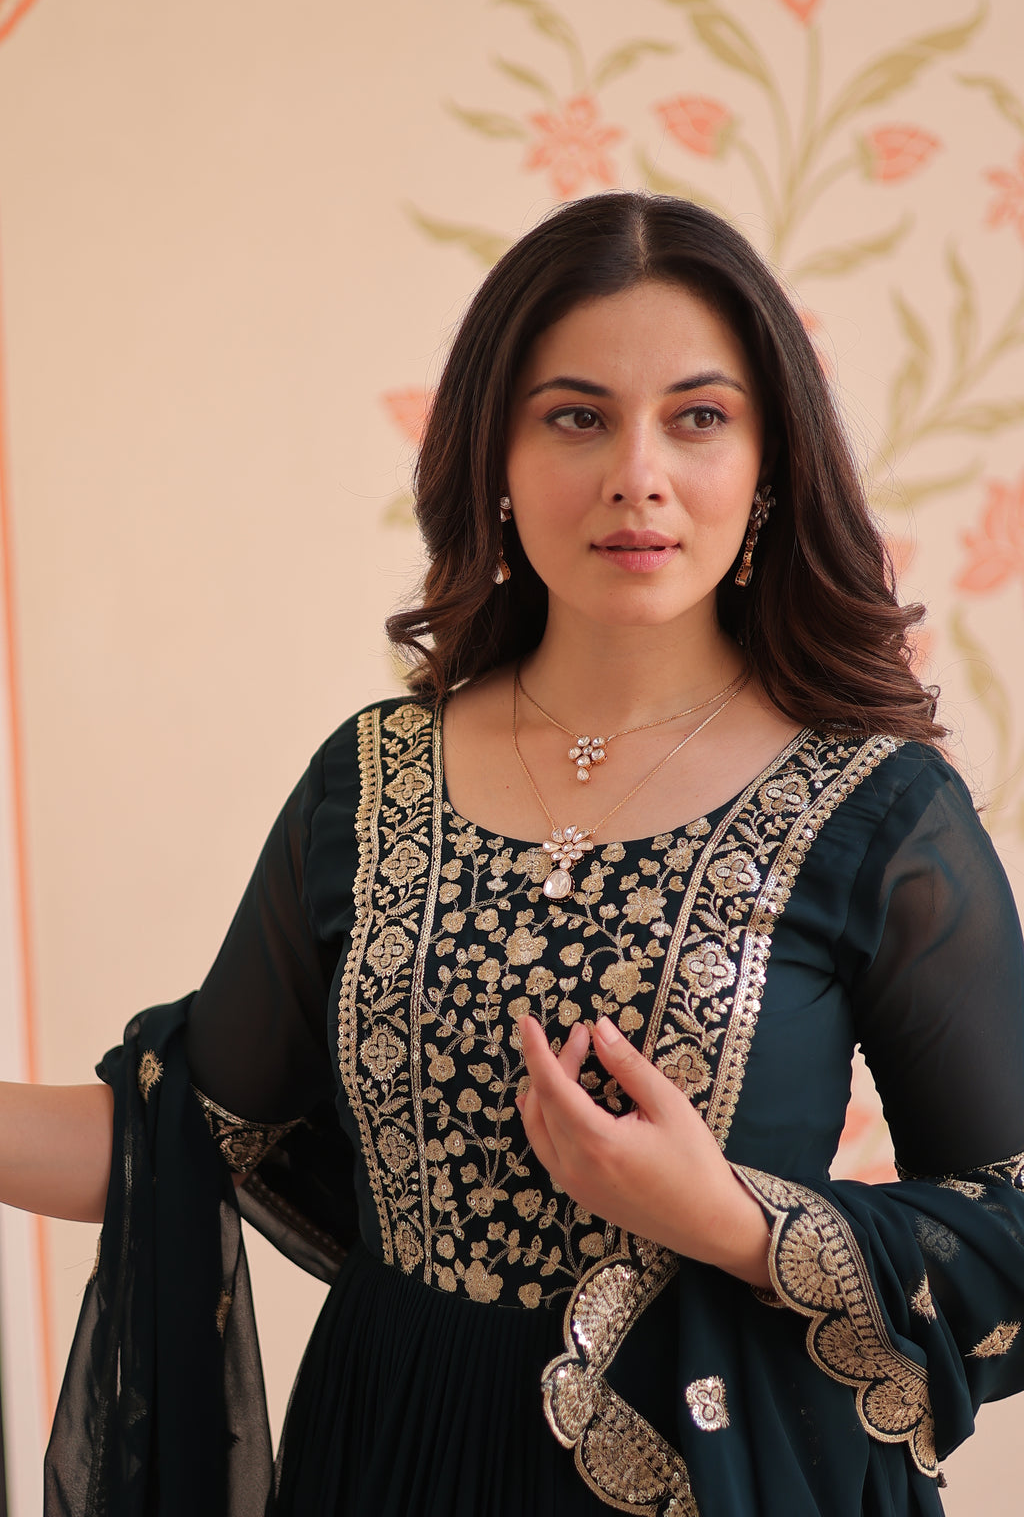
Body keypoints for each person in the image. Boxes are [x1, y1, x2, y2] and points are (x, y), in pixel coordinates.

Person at [9, 190, 1024, 1517]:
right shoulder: (366, 785)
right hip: (390, 1462)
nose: (636, 474)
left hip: (731, 1475)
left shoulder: (876, 811)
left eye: (698, 418)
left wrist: (727, 1221)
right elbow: (186, 1139)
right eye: (577, 415)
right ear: (496, 451)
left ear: (768, 465)